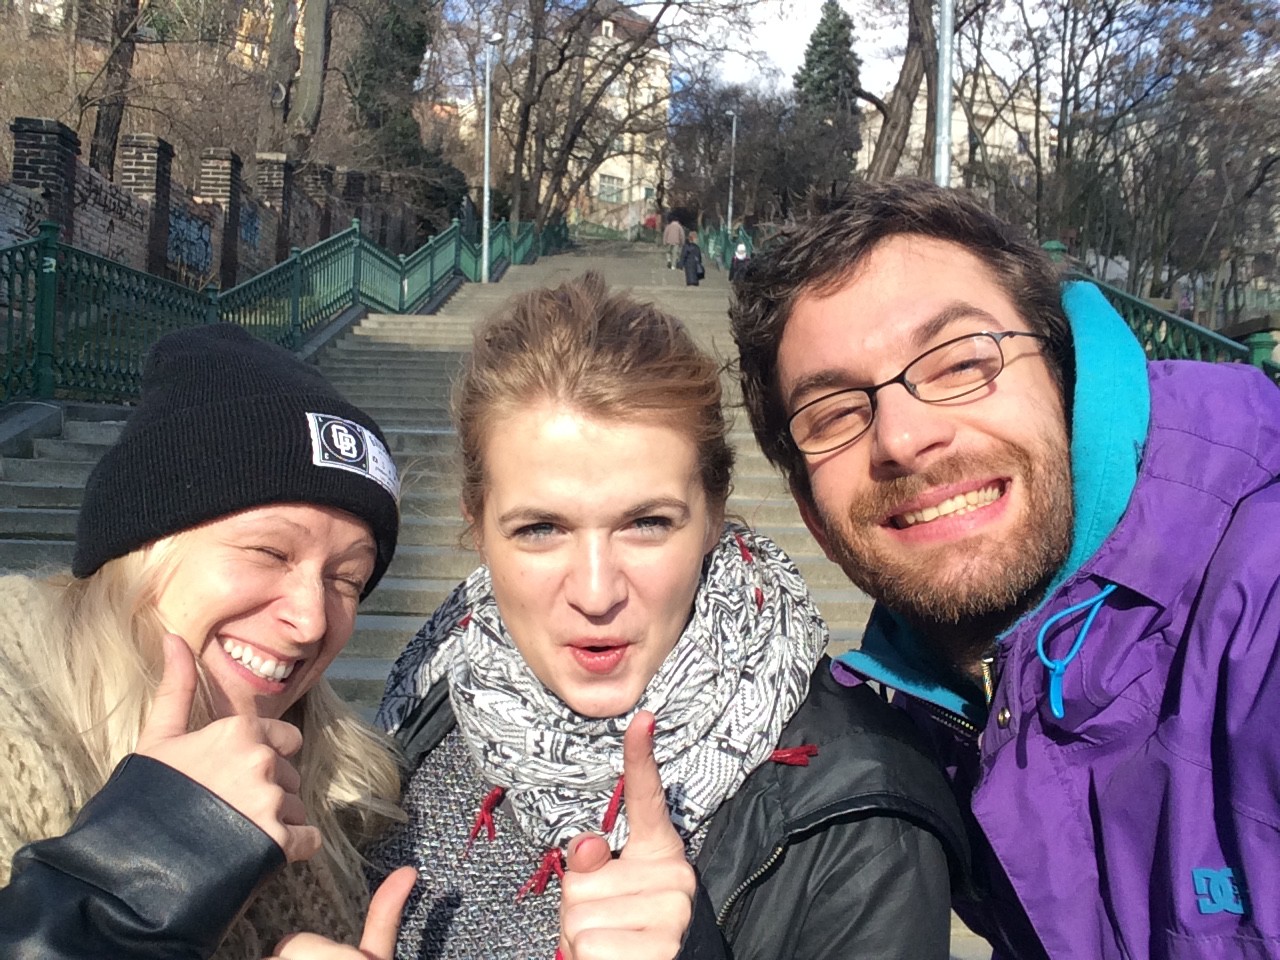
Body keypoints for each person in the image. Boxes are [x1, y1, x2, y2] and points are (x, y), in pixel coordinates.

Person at [729, 178, 1280, 960]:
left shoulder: (1257, 590)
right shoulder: (939, 711)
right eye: (836, 414)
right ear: (813, 517)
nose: (903, 438)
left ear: (1063, 377)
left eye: (960, 363)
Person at [371, 272, 968, 959]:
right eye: (540, 529)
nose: (596, 593)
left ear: (713, 515)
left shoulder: (862, 816)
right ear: (477, 526)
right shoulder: (439, 681)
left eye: (647, 523)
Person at [0, 323, 415, 959]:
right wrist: (164, 852)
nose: (311, 620)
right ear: (142, 545)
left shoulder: (350, 797)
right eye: (270, 551)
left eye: (347, 580)